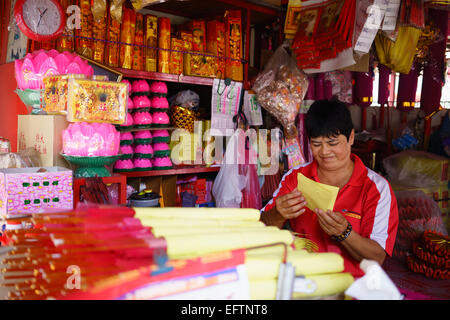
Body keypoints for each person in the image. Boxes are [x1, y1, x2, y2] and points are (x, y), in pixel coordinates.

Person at [260, 100, 399, 278]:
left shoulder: (376, 188)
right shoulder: (296, 178)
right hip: (303, 283)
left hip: (353, 290)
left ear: (351, 138)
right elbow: (261, 228)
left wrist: (345, 233)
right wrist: (278, 214)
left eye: (333, 143)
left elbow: (377, 257)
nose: (324, 152)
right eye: (316, 144)